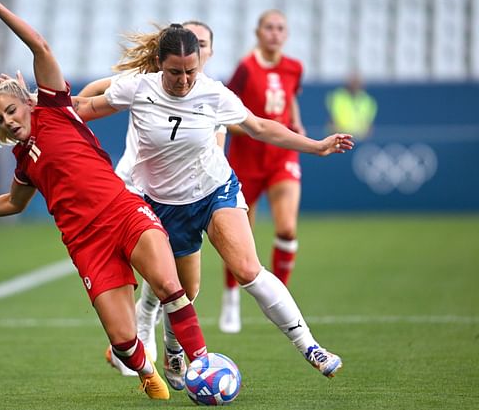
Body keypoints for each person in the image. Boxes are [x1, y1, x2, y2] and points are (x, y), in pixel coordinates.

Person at [0, 0, 210, 401]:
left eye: (11, 110)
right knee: (122, 339)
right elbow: (13, 203)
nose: (8, 121)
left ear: (27, 100)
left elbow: (40, 46)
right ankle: (145, 369)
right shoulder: (24, 162)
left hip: (123, 211)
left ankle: (203, 364)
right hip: (85, 241)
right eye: (1, 119)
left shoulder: (56, 108)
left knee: (172, 288)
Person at [73, 23, 353, 388]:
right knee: (184, 293)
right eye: (175, 72)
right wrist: (35, 104)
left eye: (191, 71)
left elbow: (260, 127)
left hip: (214, 191)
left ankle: (310, 346)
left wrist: (315, 145)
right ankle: (173, 349)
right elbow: (85, 106)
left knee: (247, 270)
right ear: (160, 64)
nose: (184, 80)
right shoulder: (137, 88)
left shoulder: (212, 93)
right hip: (164, 206)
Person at [77, 22, 224, 380]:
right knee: (155, 274)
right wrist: (65, 106)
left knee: (184, 286)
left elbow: (215, 150)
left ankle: (155, 337)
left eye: (202, 45)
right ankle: (138, 343)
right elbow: (96, 93)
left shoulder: (211, 96)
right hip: (134, 188)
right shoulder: (147, 82)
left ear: (207, 52)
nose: (196, 53)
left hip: (183, 195)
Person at [222, 9, 306, 335]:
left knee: (286, 228)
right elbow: (228, 112)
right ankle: (231, 298)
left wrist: (293, 122)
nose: (274, 33)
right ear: (258, 32)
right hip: (247, 159)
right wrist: (258, 129)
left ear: (286, 34)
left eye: (280, 28)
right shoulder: (245, 69)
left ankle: (278, 298)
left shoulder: (294, 67)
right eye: (268, 28)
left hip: (281, 156)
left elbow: (290, 99)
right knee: (240, 238)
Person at [326, 72, 377, 140]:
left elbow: (369, 125)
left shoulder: (368, 100)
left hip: (361, 140)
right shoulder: (336, 97)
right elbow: (331, 122)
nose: (355, 84)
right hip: (341, 140)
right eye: (353, 81)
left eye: (357, 82)